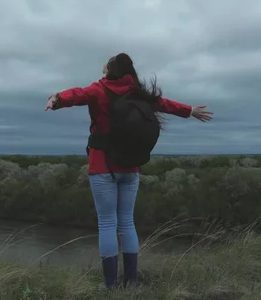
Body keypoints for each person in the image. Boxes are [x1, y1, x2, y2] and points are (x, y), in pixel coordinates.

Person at [44, 53, 212, 289]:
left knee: (107, 224)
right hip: (131, 167)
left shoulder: (99, 90)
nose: (102, 75)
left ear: (110, 72)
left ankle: (110, 285)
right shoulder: (139, 94)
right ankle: (131, 282)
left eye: (104, 71)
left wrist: (56, 99)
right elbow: (165, 104)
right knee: (126, 223)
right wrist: (190, 110)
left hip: (102, 165)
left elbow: (76, 94)